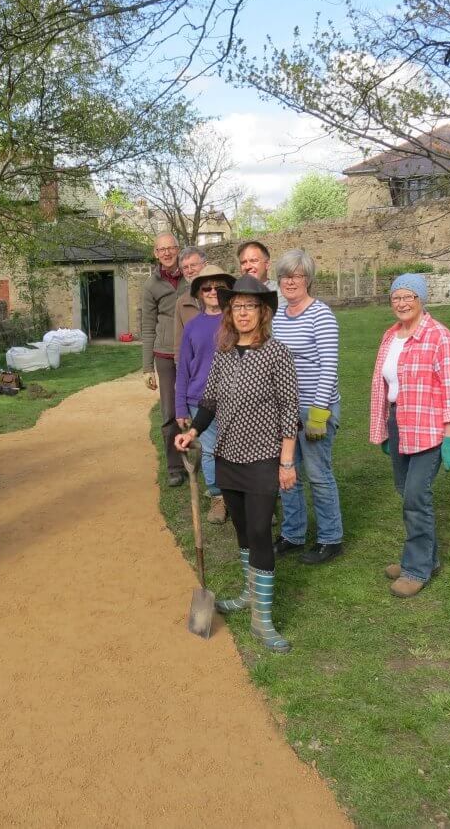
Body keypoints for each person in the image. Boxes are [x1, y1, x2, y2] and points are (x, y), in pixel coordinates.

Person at [174, 275, 299, 653]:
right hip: (227, 456)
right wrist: (193, 432)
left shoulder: (276, 352)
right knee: (243, 530)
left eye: (251, 306)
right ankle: (248, 594)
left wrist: (287, 462)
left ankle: (263, 620)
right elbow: (209, 401)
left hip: (263, 457)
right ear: (230, 313)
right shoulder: (225, 352)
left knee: (261, 531)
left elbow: (289, 409)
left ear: (263, 312)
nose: (243, 313)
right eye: (237, 307)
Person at [369, 273, 450, 598]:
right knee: (405, 491)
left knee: (415, 496)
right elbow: (383, 385)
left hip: (429, 428)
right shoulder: (390, 336)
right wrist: (384, 427)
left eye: (409, 296)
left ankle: (415, 569)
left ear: (421, 299)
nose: (401, 303)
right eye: (396, 297)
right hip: (400, 422)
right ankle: (427, 557)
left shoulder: (440, 336)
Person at [272, 249, 345, 564]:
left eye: (297, 276)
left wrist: (318, 413)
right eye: (286, 276)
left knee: (318, 473)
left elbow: (329, 367)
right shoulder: (277, 315)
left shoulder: (321, 314)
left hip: (315, 408)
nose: (291, 281)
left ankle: (331, 539)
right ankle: (293, 534)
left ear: (308, 280)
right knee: (287, 474)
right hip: (286, 408)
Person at [175, 264, 235, 524]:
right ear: (198, 293)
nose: (213, 291)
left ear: (228, 290)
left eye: (219, 287)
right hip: (199, 399)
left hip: (235, 397)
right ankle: (218, 498)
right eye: (207, 287)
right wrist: (179, 408)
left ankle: (245, 497)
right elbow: (183, 368)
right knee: (210, 451)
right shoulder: (192, 326)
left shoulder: (238, 320)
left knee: (238, 449)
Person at [141, 232, 189, 485]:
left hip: (192, 352)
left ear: (178, 249)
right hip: (166, 355)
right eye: (162, 249)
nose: (167, 253)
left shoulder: (191, 275)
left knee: (200, 405)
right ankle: (174, 467)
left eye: (171, 248)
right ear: (155, 253)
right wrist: (147, 367)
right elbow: (147, 327)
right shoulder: (151, 285)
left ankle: (204, 457)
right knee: (170, 411)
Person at [173, 246, 207, 356]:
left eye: (193, 265)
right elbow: (179, 340)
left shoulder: (222, 295)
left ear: (205, 265)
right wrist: (179, 365)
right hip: (195, 364)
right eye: (185, 268)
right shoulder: (181, 302)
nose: (190, 271)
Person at [236, 239, 285, 307]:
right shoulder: (233, 295)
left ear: (267, 264)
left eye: (253, 261)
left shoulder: (282, 292)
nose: (247, 267)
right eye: (243, 263)